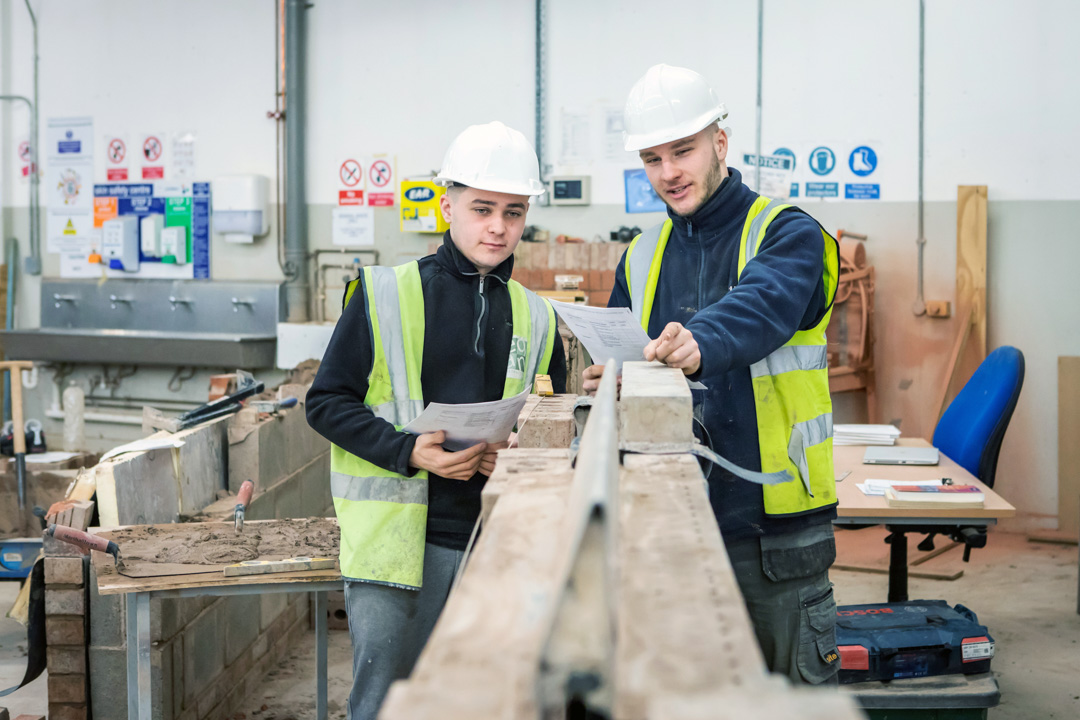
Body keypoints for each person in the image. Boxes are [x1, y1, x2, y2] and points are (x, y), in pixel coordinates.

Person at [584, 64, 840, 684]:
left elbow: (762, 304)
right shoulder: (642, 256)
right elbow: (628, 347)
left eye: (682, 150)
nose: (668, 172)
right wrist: (612, 376)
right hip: (666, 520)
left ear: (719, 144)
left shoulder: (787, 233)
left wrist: (701, 339)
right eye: (652, 158)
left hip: (771, 528)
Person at [307, 120, 567, 718]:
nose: (498, 227)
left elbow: (542, 420)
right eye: (482, 209)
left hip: (489, 543)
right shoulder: (381, 294)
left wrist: (519, 451)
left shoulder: (538, 316)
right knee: (385, 704)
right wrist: (408, 450)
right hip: (395, 546)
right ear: (446, 205)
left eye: (513, 211)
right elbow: (325, 403)